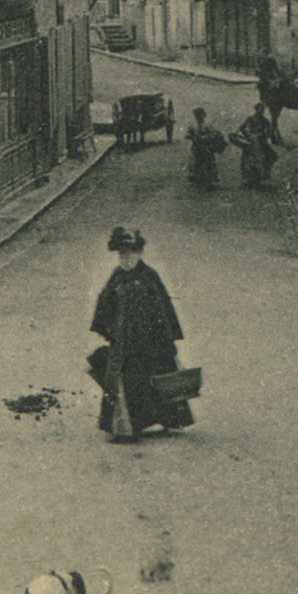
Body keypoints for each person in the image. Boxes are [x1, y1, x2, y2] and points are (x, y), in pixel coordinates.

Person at [88, 226, 192, 443]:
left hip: (150, 341)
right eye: (122, 254)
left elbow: (163, 308)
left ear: (139, 253)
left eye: (130, 254)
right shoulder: (117, 276)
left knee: (155, 376)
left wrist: (167, 340)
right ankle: (126, 427)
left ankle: (164, 419)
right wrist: (106, 329)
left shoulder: (149, 277)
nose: (126, 259)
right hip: (124, 341)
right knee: (125, 382)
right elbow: (104, 302)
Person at [236, 103, 278, 189]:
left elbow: (269, 131)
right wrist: (248, 135)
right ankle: (248, 179)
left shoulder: (265, 121)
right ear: (256, 109)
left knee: (272, 156)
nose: (262, 111)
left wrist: (263, 134)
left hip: (261, 143)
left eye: (263, 110)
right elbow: (242, 128)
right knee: (248, 161)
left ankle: (263, 175)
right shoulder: (251, 119)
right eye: (260, 109)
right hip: (251, 143)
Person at [183, 107, 225, 189]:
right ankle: (198, 181)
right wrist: (192, 137)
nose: (198, 117)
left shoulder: (208, 125)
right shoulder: (193, 126)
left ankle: (210, 181)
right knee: (197, 163)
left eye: (200, 115)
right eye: (197, 115)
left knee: (209, 163)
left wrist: (204, 137)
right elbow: (187, 135)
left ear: (203, 115)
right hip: (197, 147)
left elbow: (213, 134)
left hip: (206, 147)